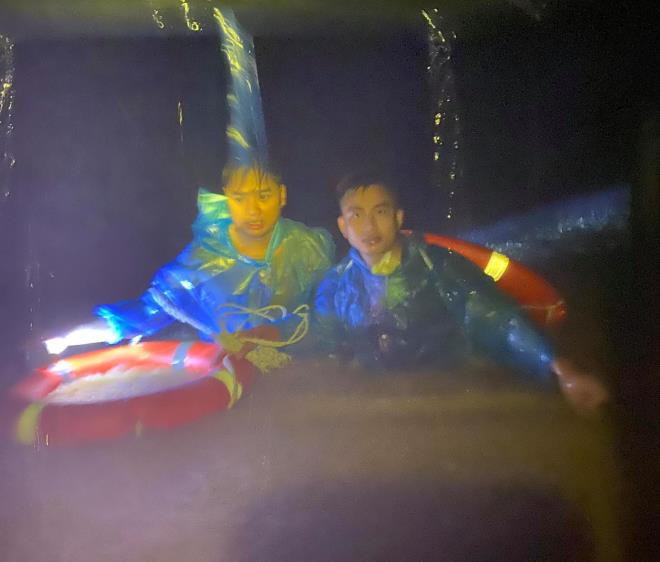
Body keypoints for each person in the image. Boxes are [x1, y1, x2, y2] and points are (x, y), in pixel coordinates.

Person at [312, 171, 608, 414]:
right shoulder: (335, 286)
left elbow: (497, 320)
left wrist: (561, 370)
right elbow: (321, 346)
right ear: (343, 226)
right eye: (356, 215)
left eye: (380, 211)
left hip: (445, 398)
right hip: (379, 408)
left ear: (398, 218)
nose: (369, 226)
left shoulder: (440, 267)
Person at [44, 162, 334, 355]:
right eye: (240, 198)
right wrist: (71, 335)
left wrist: (280, 333)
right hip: (227, 380)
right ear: (227, 199)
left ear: (282, 195)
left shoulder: (308, 247)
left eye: (264, 195)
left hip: (297, 376)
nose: (253, 210)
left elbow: (333, 315)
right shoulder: (205, 259)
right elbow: (146, 314)